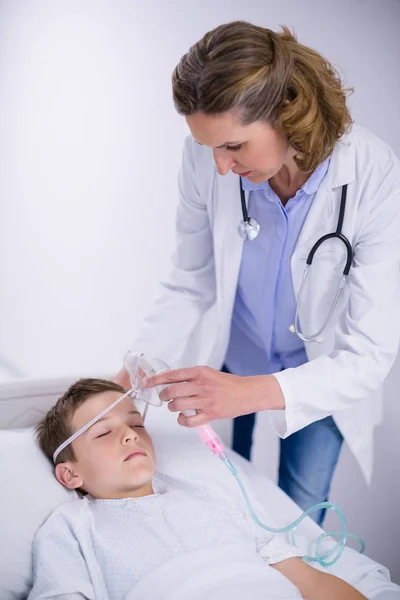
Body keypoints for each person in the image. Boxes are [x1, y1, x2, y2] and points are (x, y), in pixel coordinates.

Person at [115, 21, 400, 524]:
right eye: (210, 148)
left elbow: (370, 354)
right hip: (230, 357)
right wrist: (134, 370)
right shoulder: (204, 160)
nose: (220, 167)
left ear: (288, 111)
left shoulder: (374, 175)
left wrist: (253, 393)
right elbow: (191, 281)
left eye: (235, 147)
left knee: (300, 510)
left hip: (319, 373)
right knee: (224, 500)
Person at [28, 378, 367, 600]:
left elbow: (308, 581)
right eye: (103, 433)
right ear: (69, 475)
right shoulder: (72, 527)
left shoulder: (210, 494)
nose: (130, 435)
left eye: (136, 423)